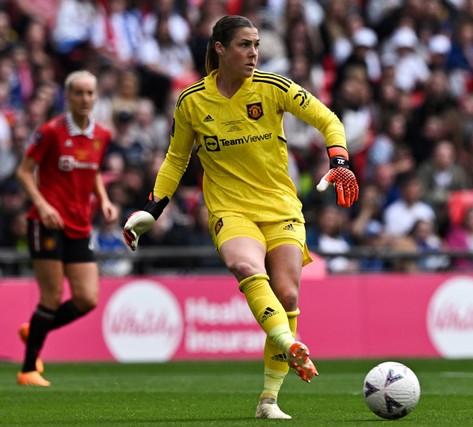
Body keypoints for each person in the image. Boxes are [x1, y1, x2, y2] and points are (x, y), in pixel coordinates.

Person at [122, 15, 358, 420]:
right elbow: (176, 159)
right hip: (230, 208)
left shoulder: (273, 87)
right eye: (244, 45)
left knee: (287, 296)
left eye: (256, 45)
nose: (254, 53)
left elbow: (328, 120)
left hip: (280, 206)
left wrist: (339, 160)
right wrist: (153, 207)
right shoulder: (192, 101)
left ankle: (268, 401)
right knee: (244, 263)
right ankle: (288, 343)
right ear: (220, 48)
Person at [14, 70, 118, 386]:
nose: (85, 99)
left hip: (80, 223)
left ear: (96, 96)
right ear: (68, 96)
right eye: (78, 93)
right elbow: (23, 172)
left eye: (90, 93)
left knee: (87, 298)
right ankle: (28, 369)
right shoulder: (51, 132)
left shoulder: (102, 135)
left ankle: (36, 329)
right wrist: (42, 205)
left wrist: (104, 199)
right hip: (46, 224)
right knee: (52, 295)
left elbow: (94, 170)